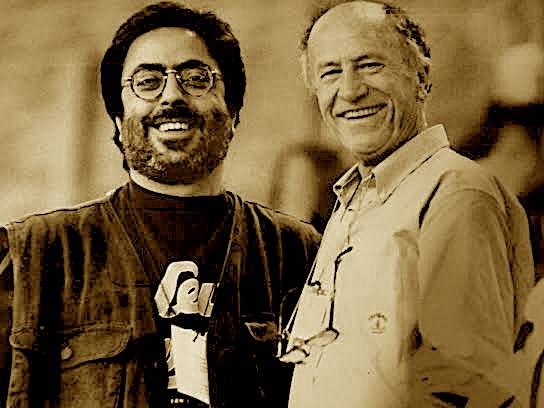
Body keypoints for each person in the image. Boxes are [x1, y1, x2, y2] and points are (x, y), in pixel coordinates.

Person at [0, 2, 320, 407]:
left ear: (234, 111)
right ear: (118, 120)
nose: (171, 95)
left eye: (196, 79)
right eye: (147, 81)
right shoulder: (31, 256)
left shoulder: (301, 253)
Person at [278, 1, 535, 407]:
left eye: (370, 65)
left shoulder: (455, 194)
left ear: (421, 78)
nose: (350, 90)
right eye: (330, 73)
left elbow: (463, 388)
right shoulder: (357, 200)